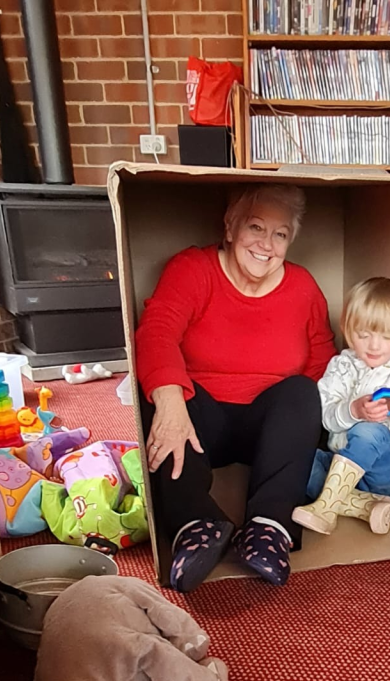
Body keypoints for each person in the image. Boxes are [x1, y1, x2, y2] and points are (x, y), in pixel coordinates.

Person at [135, 184, 337, 592]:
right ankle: (195, 526)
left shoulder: (303, 287)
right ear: (230, 227)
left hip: (270, 429)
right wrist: (169, 400)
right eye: (255, 227)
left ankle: (269, 528)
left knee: (303, 391)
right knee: (166, 391)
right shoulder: (193, 269)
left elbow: (323, 364)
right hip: (202, 418)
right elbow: (157, 333)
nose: (266, 244)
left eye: (280, 234)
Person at [292, 277, 390, 536]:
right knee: (294, 460)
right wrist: (353, 410)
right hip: (338, 464)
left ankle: (326, 509)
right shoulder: (342, 365)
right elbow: (324, 417)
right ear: (348, 329)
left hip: (388, 473)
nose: (374, 345)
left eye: (386, 336)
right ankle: (365, 506)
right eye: (363, 335)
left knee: (369, 430)